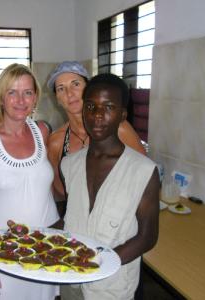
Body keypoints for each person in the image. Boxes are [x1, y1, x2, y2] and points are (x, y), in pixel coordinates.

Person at [0, 63, 59, 300]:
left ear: (35, 97)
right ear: (1, 98)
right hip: (2, 251)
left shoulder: (42, 131)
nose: (20, 100)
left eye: (27, 92)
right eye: (12, 92)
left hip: (45, 245)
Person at [58, 73, 159, 299]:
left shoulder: (143, 171)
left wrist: (100, 262)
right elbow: (73, 215)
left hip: (111, 287)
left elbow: (148, 236)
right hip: (70, 279)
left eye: (108, 107)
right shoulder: (69, 164)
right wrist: (36, 233)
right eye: (91, 106)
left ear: (122, 114)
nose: (97, 115)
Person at [46, 61, 146, 210]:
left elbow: (145, 175)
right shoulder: (56, 141)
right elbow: (58, 189)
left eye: (76, 84)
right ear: (57, 99)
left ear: (89, 89)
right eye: (61, 89)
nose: (69, 93)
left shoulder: (118, 128)